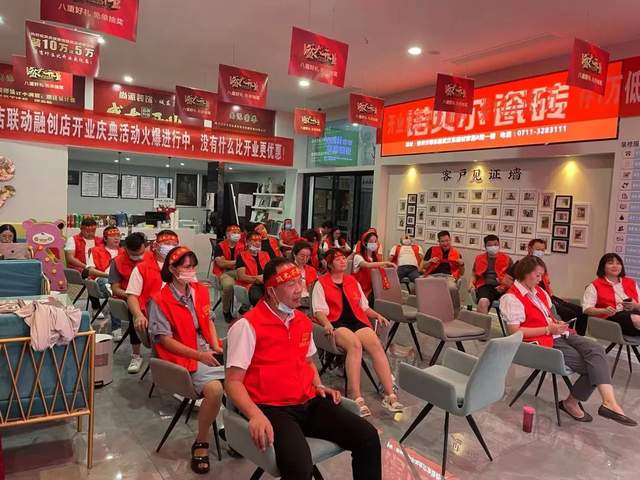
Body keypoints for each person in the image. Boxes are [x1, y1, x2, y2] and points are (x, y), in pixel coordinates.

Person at [225, 256, 381, 480]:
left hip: (308, 401)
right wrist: (255, 415)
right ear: (272, 291)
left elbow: (307, 362)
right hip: (272, 408)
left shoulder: (302, 321)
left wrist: (319, 385)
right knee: (299, 468)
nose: (300, 289)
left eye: (300, 281)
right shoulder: (247, 326)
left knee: (368, 437)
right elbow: (232, 382)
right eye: (291, 284)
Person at [501, 256, 636, 426]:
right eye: (537, 275)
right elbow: (515, 332)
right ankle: (573, 403)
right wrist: (548, 329)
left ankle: (609, 403)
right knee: (593, 366)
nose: (540, 279)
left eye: (542, 275)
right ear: (525, 273)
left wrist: (556, 323)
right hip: (540, 341)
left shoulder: (540, 292)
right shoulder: (511, 298)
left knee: (597, 350)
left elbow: (547, 316)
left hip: (560, 334)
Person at [148, 246, 224, 474]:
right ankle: (201, 442)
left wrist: (215, 347)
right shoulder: (159, 300)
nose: (192, 271)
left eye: (194, 266)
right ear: (172, 269)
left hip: (205, 351)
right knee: (216, 390)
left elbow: (208, 321)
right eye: (187, 267)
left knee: (244, 374)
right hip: (183, 359)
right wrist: (200, 355)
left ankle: (231, 429)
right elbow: (164, 341)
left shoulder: (199, 291)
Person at [313, 249, 404, 417]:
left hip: (356, 321)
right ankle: (356, 397)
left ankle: (390, 394)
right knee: (354, 345)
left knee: (375, 344)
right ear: (329, 264)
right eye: (338, 259)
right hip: (335, 322)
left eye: (343, 258)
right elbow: (318, 311)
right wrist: (326, 323)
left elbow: (364, 306)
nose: (343, 261)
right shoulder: (321, 283)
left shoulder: (352, 280)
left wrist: (377, 315)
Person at [507, 239, 588, 335]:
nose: (540, 252)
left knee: (581, 311)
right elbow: (507, 281)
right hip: (533, 297)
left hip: (546, 295)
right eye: (538, 249)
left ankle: (575, 335)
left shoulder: (540, 266)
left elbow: (547, 284)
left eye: (542, 250)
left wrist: (554, 297)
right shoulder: (520, 265)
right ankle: (563, 332)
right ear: (529, 249)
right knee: (569, 313)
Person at [126, 230, 180, 373]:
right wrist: (138, 315)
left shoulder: (182, 266)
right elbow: (132, 296)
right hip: (153, 316)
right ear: (156, 246)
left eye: (174, 244)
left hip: (178, 313)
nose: (170, 247)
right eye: (166, 243)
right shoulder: (142, 268)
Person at [109, 232, 150, 371]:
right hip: (129, 297)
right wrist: (132, 295)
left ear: (145, 246)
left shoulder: (152, 258)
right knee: (134, 313)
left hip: (152, 297)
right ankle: (136, 355)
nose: (138, 257)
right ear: (126, 248)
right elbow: (115, 289)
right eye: (133, 254)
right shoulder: (117, 262)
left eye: (140, 253)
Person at [583, 253, 640, 337]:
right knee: (636, 318)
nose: (615, 266)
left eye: (618, 263)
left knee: (635, 317)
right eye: (610, 263)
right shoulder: (594, 285)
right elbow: (586, 309)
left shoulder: (631, 282)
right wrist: (604, 310)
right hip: (611, 320)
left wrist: (636, 305)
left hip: (633, 314)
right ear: (603, 267)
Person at [86, 226, 123, 337]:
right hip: (102, 279)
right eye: (113, 236)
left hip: (121, 281)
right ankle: (117, 328)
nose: (116, 238)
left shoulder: (124, 252)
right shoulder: (96, 250)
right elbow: (90, 270)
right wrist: (109, 275)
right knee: (112, 291)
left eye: (118, 236)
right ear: (105, 238)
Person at [65, 218, 104, 316]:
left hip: (97, 268)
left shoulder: (100, 240)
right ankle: (96, 307)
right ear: (81, 229)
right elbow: (70, 258)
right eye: (88, 231)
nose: (91, 233)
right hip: (79, 269)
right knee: (90, 277)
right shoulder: (73, 239)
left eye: (93, 231)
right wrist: (87, 266)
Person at [422, 230, 465, 313]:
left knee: (452, 288)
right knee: (421, 284)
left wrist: (462, 264)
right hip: (433, 276)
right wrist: (429, 261)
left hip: (448, 277)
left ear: (450, 240)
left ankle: (455, 311)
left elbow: (462, 273)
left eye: (447, 240)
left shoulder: (456, 253)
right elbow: (423, 266)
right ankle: (425, 309)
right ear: (438, 241)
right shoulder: (431, 250)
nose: (445, 243)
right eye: (442, 241)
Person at [470, 234, 513, 314]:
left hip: (503, 287)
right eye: (490, 245)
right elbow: (474, 273)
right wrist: (471, 283)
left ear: (499, 245)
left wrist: (504, 286)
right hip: (485, 286)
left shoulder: (507, 259)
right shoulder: (479, 258)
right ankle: (481, 322)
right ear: (485, 246)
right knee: (483, 302)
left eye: (495, 245)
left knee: (512, 302)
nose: (493, 247)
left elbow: (512, 278)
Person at [213, 225, 244, 323]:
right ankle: (226, 311)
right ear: (227, 234)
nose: (236, 235)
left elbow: (245, 261)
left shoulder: (243, 246)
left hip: (238, 271)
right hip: (223, 272)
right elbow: (220, 264)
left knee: (252, 282)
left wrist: (228, 262)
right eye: (234, 232)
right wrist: (237, 262)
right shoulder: (220, 246)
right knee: (228, 286)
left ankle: (244, 308)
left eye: (238, 233)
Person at [352, 230, 396, 299]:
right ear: (364, 243)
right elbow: (367, 265)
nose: (374, 244)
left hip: (372, 288)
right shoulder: (358, 256)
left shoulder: (375, 258)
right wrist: (386, 262)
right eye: (371, 241)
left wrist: (389, 266)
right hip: (360, 291)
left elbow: (379, 269)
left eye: (375, 242)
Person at [236, 232, 271, 306]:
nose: (258, 243)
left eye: (259, 241)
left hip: (267, 284)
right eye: (255, 241)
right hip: (251, 285)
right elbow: (241, 276)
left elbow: (271, 271)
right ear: (247, 242)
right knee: (259, 299)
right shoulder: (241, 256)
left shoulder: (266, 254)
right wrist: (256, 279)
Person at [292, 240, 318, 308]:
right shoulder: (289, 269)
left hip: (310, 300)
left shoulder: (311, 270)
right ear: (294, 254)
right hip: (295, 301)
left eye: (308, 256)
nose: (305, 259)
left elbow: (314, 289)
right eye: (302, 256)